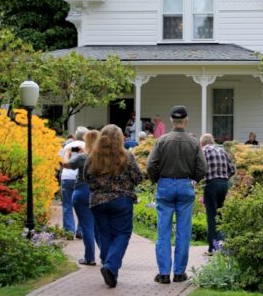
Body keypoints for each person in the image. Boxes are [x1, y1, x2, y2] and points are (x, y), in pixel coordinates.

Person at [147, 105, 206, 284]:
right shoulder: (194, 142)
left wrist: (157, 180)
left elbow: (151, 165)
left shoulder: (162, 141)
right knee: (183, 232)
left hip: (165, 184)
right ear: (186, 121)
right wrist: (193, 179)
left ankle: (164, 273)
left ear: (171, 120)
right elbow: (202, 168)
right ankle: (179, 273)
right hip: (185, 184)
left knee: (163, 232)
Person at [85, 124, 143, 288]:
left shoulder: (92, 157)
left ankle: (109, 268)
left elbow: (86, 176)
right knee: (122, 234)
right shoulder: (126, 157)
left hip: (97, 201)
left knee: (104, 234)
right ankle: (110, 266)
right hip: (121, 200)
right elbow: (138, 177)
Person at [62, 130, 100, 266]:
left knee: (86, 226)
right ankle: (106, 254)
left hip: (82, 191)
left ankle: (89, 257)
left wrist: (67, 152)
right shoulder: (102, 157)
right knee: (97, 226)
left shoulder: (83, 157)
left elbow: (66, 164)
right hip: (97, 193)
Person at [200, 133, 236, 256]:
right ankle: (223, 244)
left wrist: (199, 179)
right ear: (212, 141)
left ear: (202, 143)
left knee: (211, 216)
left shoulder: (203, 151)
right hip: (224, 184)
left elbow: (200, 168)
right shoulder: (222, 151)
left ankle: (212, 248)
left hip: (211, 185)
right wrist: (223, 179)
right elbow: (232, 170)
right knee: (220, 216)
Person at [61, 126, 89, 238]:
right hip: (81, 178)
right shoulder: (87, 147)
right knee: (83, 206)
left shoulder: (67, 146)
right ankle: (80, 231)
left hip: (67, 177)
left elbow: (61, 161)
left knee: (67, 205)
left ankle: (69, 231)